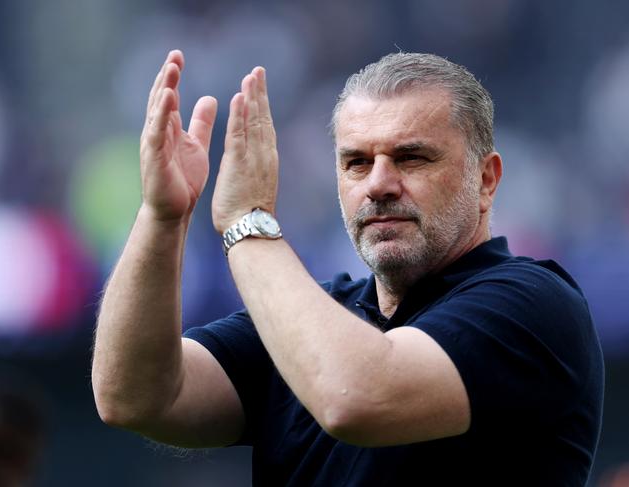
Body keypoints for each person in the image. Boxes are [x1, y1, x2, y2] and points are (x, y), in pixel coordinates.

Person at [91, 50, 604, 485]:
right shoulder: (317, 315)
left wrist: (247, 223)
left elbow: (355, 396)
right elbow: (135, 396)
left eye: (412, 158)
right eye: (356, 162)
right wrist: (162, 217)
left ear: (486, 180)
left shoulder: (534, 305)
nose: (378, 184)